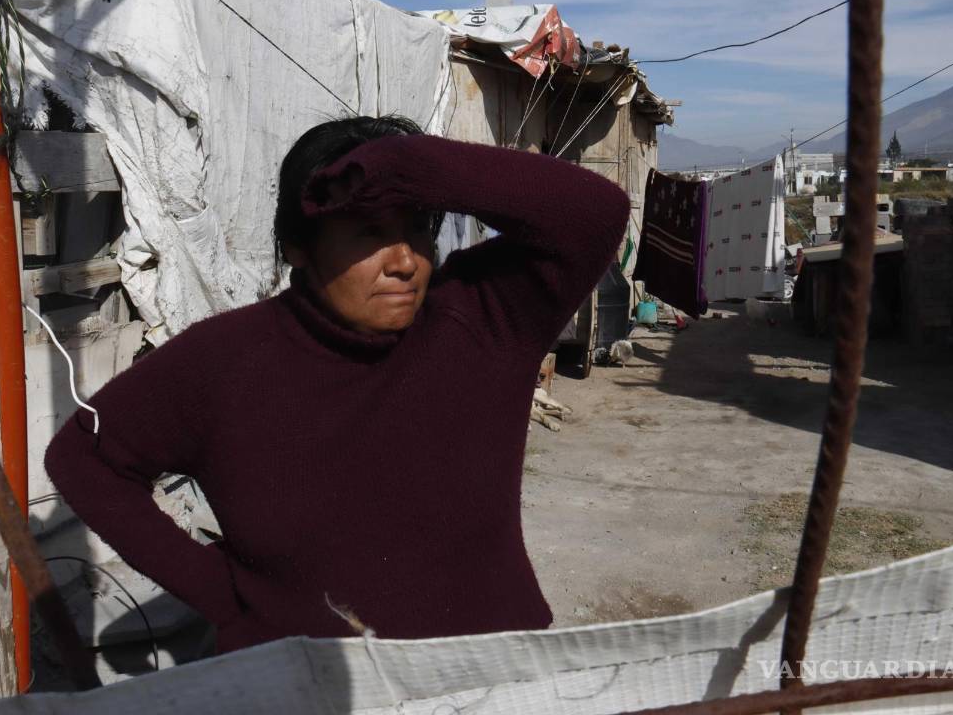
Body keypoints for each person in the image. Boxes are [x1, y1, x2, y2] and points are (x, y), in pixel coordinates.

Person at [45, 115, 630, 654]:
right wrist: (222, 596)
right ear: (298, 246)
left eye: (418, 229)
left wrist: (406, 164)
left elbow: (592, 213)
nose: (404, 261)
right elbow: (84, 458)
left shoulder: (480, 320)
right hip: (311, 685)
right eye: (368, 232)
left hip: (493, 674)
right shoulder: (223, 362)